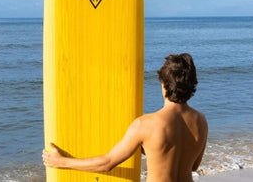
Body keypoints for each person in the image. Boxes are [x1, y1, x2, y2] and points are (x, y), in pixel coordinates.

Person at [42, 53, 208, 181]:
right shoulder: (201, 121)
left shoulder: (146, 124)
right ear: (191, 85)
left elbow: (107, 163)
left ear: (163, 84)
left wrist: (61, 162)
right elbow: (193, 166)